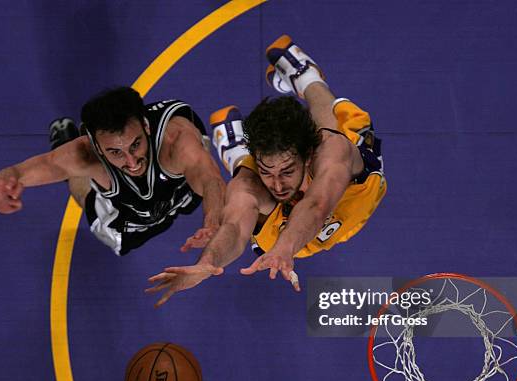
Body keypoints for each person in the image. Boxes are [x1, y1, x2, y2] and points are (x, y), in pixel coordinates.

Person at [146, 35, 386, 306]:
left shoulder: (330, 151)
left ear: (306, 156)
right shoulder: (252, 182)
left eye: (286, 171)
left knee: (333, 117)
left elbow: (317, 205)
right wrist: (207, 263)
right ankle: (238, 153)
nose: (277, 184)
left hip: (352, 198)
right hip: (281, 236)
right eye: (266, 171)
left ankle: (305, 76)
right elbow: (235, 228)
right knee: (245, 184)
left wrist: (285, 249)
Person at [0, 87, 226, 256]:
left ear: (145, 125)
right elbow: (21, 172)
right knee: (85, 195)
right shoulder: (86, 154)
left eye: (135, 144)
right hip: (129, 218)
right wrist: (0, 183)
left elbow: (210, 180)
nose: (132, 162)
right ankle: (64, 143)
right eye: (116, 152)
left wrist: (213, 221)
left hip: (181, 189)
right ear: (96, 144)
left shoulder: (176, 142)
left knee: (201, 174)